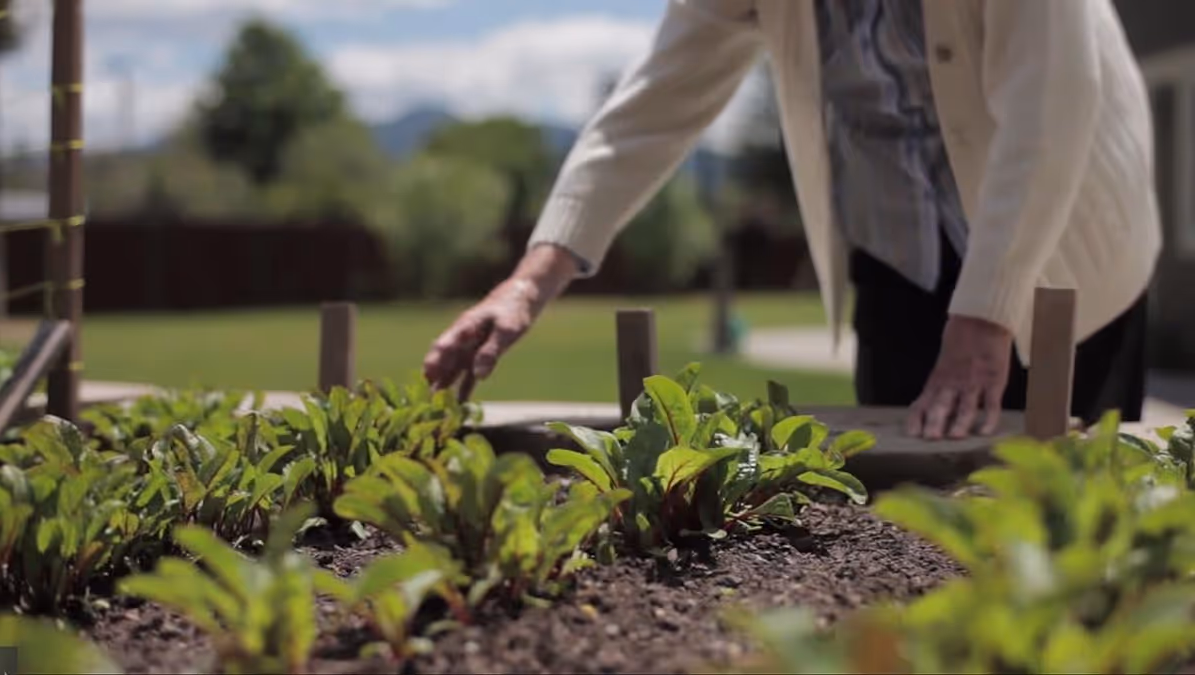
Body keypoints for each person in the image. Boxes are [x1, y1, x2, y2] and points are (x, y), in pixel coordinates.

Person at [422, 0, 1162, 441]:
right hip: (900, 249)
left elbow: (1051, 105)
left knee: (1067, 529)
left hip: (1067, 247)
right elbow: (649, 109)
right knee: (908, 528)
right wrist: (531, 276)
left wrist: (987, 312)